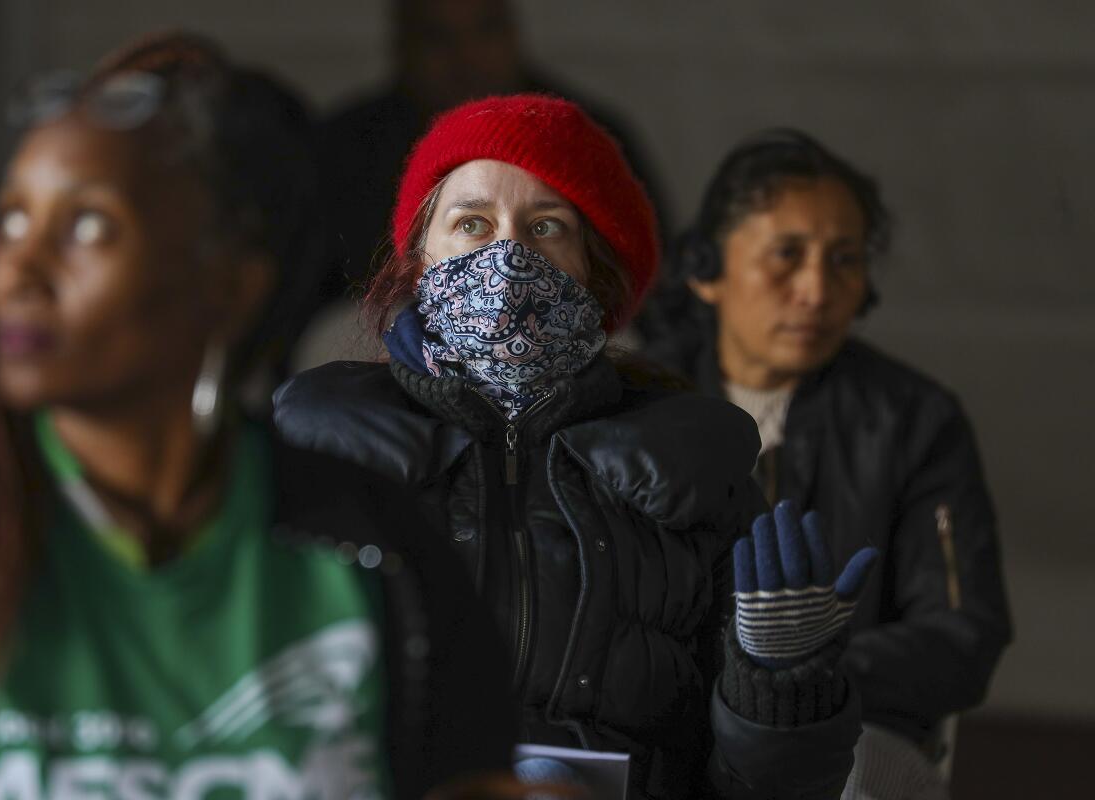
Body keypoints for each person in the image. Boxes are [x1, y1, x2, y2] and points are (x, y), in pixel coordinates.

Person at [0, 33, 516, 799]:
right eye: (12, 220)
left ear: (230, 285)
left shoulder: (379, 549)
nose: (21, 269)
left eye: (89, 226)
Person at [275, 94, 876, 799]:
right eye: (471, 222)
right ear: (418, 257)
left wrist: (780, 686)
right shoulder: (311, 445)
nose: (505, 255)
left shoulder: (698, 472)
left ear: (596, 268)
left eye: (545, 226)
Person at [640, 129, 1013, 798]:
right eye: (787, 255)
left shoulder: (913, 421)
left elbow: (963, 634)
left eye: (844, 260)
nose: (816, 289)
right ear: (706, 269)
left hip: (850, 733)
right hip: (663, 723)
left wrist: (799, 675)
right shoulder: (637, 404)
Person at [309, 0, 668, 307]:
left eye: (486, 30)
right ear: (402, 46)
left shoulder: (586, 141)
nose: (466, 57)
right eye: (437, 38)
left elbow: (648, 281)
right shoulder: (344, 150)